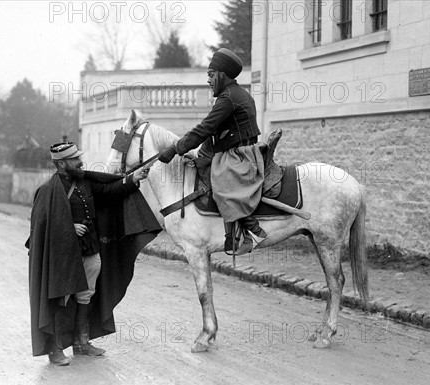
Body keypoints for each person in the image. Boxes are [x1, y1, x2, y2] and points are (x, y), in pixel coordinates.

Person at [26, 142, 160, 366]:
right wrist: (70, 226)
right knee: (61, 299)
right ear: (61, 164)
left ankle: (81, 343)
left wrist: (133, 178)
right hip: (63, 258)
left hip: (90, 250)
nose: (80, 161)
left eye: (79, 157)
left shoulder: (85, 182)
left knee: (86, 296)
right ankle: (55, 349)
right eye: (74, 159)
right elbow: (42, 226)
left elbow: (109, 191)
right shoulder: (48, 189)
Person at [158, 48, 267, 255]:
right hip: (234, 151)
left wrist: (174, 149)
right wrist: (198, 154)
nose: (208, 80)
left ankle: (253, 231)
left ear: (221, 75)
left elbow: (205, 128)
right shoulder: (231, 95)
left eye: (210, 75)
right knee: (203, 168)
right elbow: (214, 132)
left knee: (219, 182)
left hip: (241, 155)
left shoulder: (229, 98)